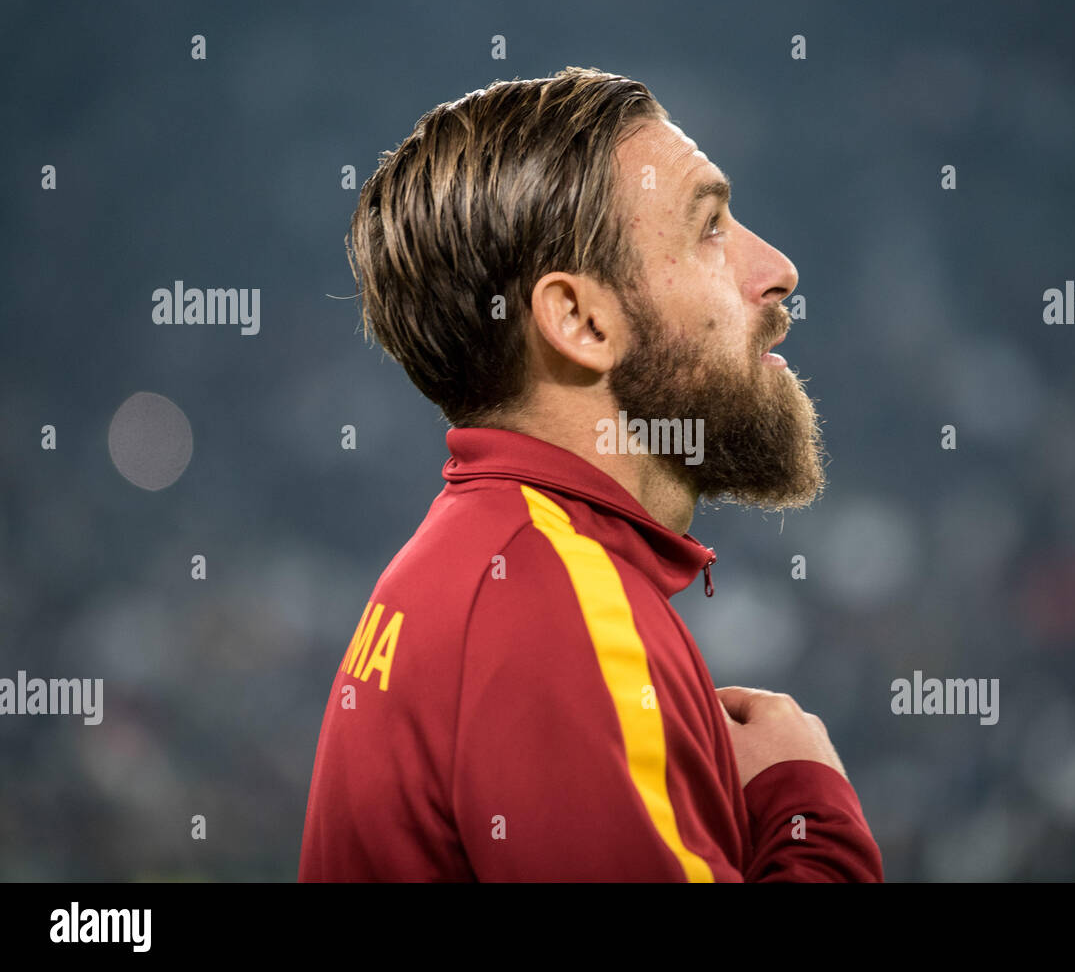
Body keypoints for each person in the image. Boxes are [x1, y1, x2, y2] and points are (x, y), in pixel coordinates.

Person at [298, 66, 883, 881]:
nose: (778, 268)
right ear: (578, 320)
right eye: (709, 226)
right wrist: (805, 808)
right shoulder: (554, 612)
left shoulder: (477, 561)